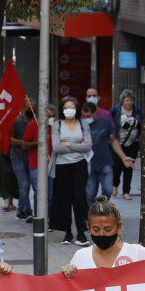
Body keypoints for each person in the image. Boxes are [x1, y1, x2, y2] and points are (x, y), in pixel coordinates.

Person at [50, 96, 92, 246]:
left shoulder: (83, 123)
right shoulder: (57, 124)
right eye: (66, 107)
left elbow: (87, 146)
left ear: (77, 108)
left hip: (80, 165)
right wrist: (76, 144)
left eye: (72, 107)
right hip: (62, 166)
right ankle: (67, 233)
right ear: (62, 109)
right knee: (65, 198)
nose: (69, 110)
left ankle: (81, 233)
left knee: (79, 197)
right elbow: (56, 147)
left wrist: (67, 144)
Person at [81, 102, 133, 208]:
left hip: (105, 162)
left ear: (95, 113)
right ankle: (92, 215)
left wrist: (123, 157)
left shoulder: (105, 122)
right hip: (88, 165)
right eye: (84, 116)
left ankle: (102, 208)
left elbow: (113, 140)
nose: (86, 118)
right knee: (90, 194)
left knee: (108, 189)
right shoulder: (80, 125)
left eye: (89, 116)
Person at [110, 90, 142, 201]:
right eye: (127, 100)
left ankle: (126, 191)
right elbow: (109, 123)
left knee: (129, 167)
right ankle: (115, 186)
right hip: (117, 143)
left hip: (132, 143)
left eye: (131, 100)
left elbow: (142, 125)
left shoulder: (137, 111)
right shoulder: (115, 110)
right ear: (122, 101)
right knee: (116, 166)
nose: (129, 103)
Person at [10, 99, 35, 222]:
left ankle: (20, 211)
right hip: (18, 157)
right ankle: (27, 212)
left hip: (31, 158)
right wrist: (24, 143)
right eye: (29, 108)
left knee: (27, 186)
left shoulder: (35, 121)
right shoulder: (17, 121)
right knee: (24, 185)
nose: (31, 110)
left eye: (33, 108)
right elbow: (10, 139)